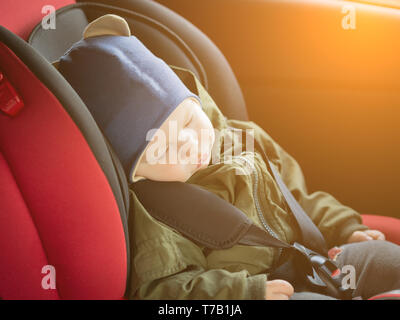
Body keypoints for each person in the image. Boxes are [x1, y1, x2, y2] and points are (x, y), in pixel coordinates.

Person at [56, 14, 400, 300]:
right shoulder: (156, 216)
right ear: (135, 172)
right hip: (258, 291)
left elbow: (297, 197)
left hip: (311, 259)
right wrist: (244, 292)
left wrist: (342, 226)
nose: (188, 144)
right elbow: (162, 291)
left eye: (189, 121)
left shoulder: (240, 137)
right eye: (160, 149)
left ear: (194, 100)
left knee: (388, 260)